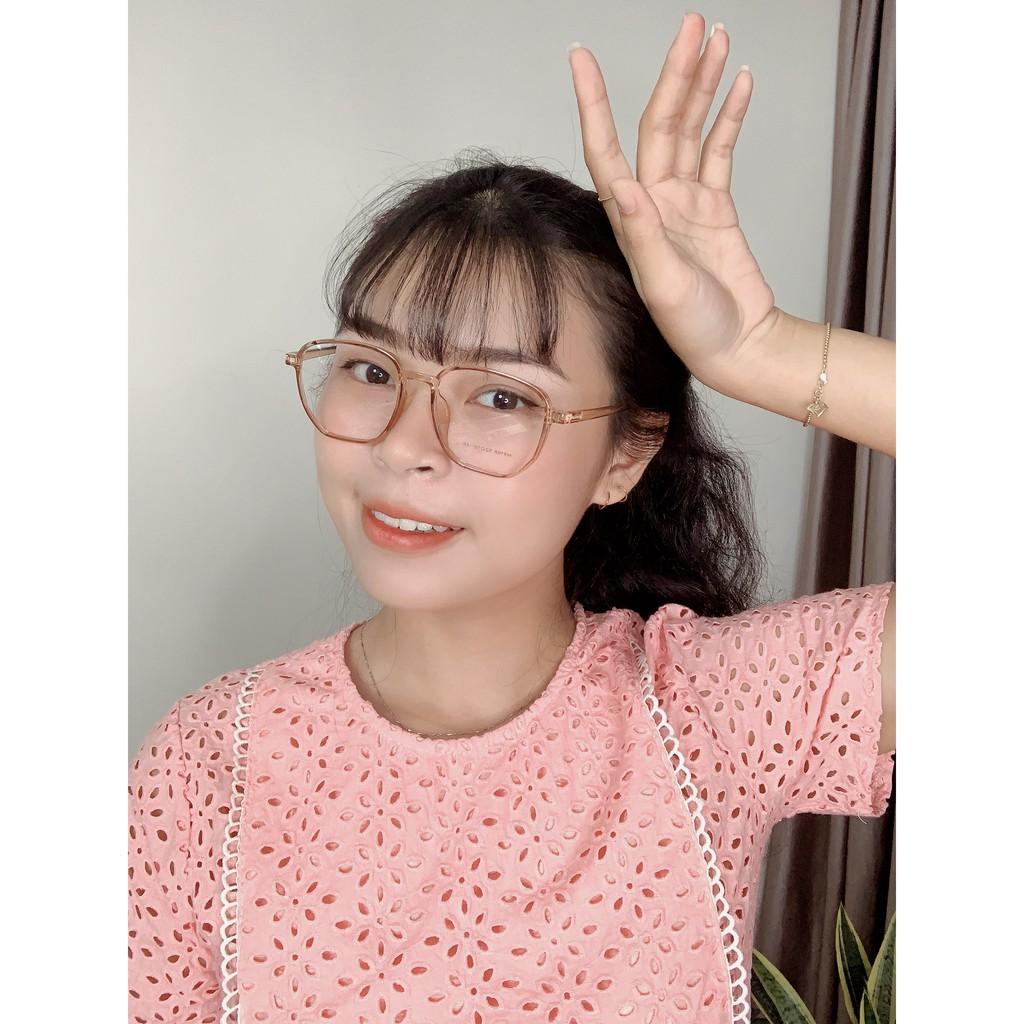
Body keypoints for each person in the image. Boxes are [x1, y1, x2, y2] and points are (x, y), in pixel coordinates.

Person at [128, 13, 895, 1024]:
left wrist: (763, 349)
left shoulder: (710, 714)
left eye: (500, 396)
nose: (407, 443)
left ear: (623, 456)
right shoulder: (204, 764)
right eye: (372, 369)